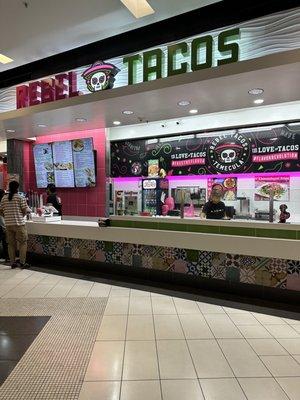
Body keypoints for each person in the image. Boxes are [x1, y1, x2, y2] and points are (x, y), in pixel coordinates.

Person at [0, 181, 30, 269]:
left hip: (8, 224)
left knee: (11, 244)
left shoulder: (4, 198)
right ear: (17, 188)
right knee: (23, 243)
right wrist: (21, 216)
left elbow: (1, 211)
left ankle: (12, 263)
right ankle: (22, 262)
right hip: (19, 224)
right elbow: (25, 211)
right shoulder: (20, 197)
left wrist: (7, 216)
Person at [0, 189, 8, 261]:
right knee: (5, 241)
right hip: (1, 227)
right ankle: (6, 256)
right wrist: (4, 227)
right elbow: (1, 218)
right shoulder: (1, 204)